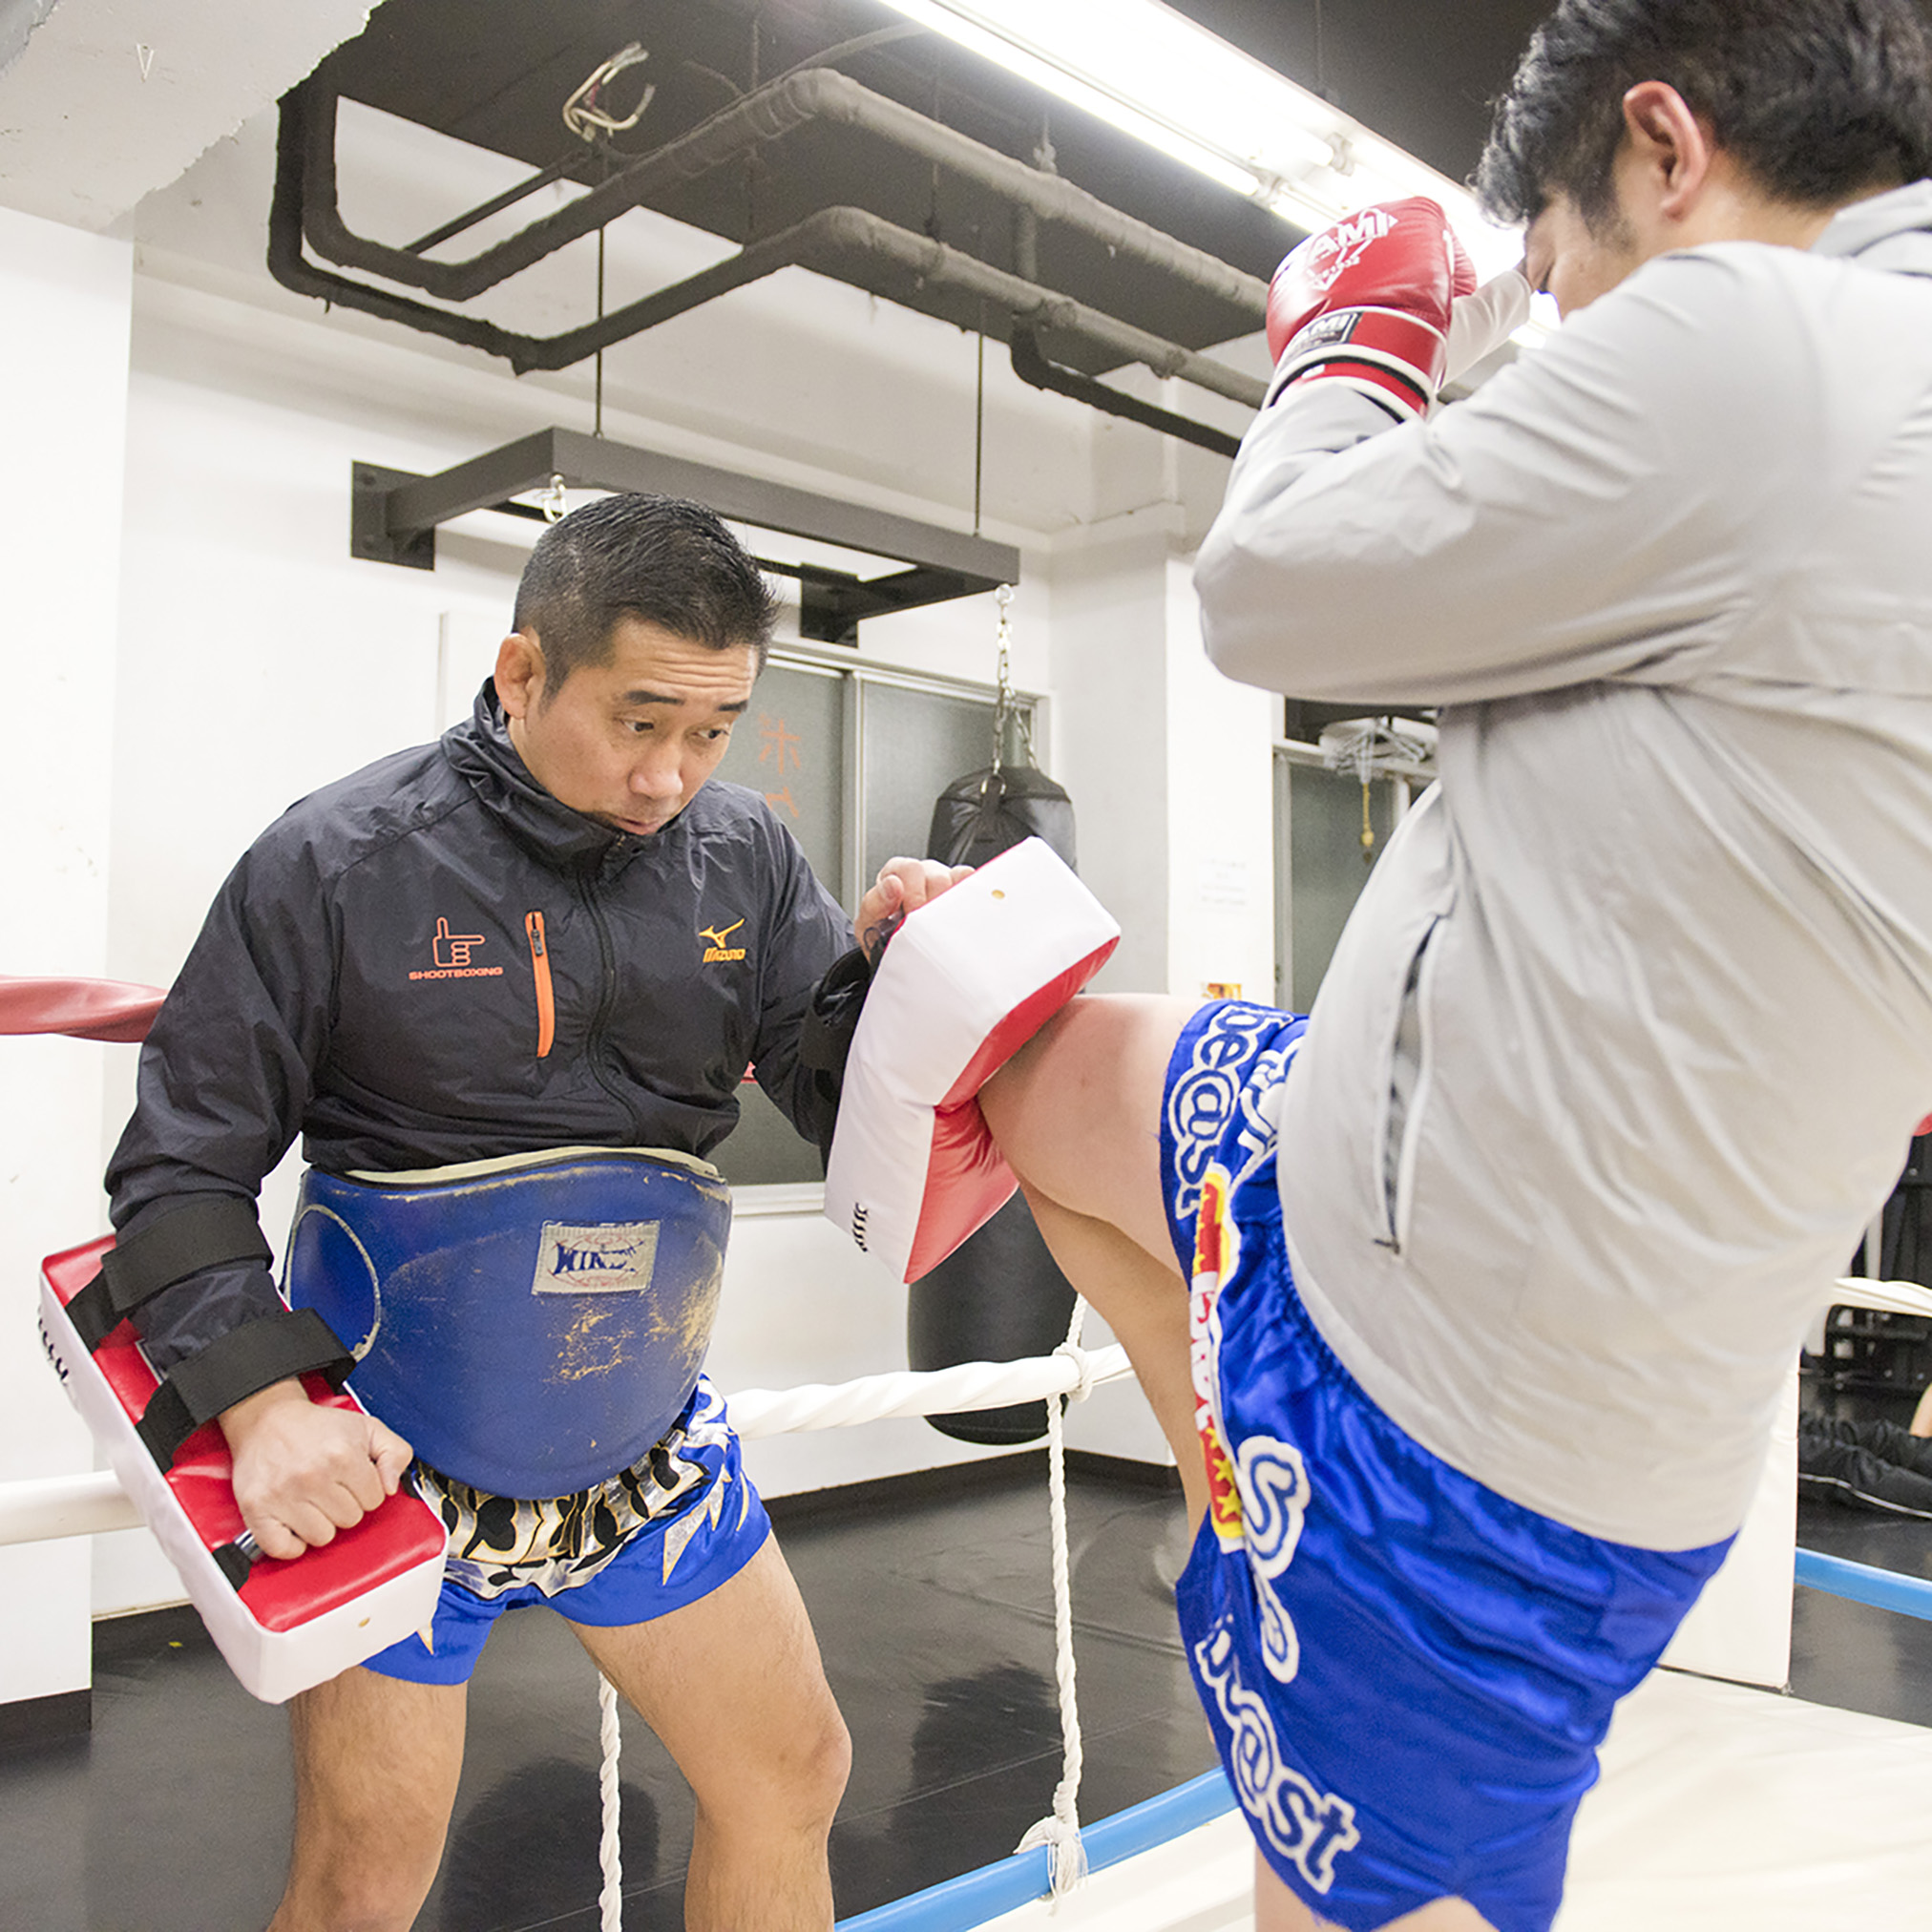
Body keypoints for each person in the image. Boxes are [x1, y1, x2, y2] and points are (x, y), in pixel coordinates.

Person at [956, 5, 1932, 1928]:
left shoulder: (1780, 343)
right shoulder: (1837, 400)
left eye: (1580, 288)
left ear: (1666, 144)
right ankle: (1230, 1462)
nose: (1573, 336)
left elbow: (1270, 584)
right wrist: (1528, 276)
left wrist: (1367, 328)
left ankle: (1267, 1501)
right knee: (1046, 1071)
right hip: (1400, 1216)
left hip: (1459, 1448)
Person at [105, 492, 960, 1932]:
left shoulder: (742, 854)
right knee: (366, 1878)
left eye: (711, 731)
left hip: (638, 1434)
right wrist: (263, 1412)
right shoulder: (334, 862)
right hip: (393, 1459)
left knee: (794, 1771)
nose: (671, 775)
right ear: (521, 675)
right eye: (639, 722)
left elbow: (834, 1091)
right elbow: (177, 1171)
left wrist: (903, 976)